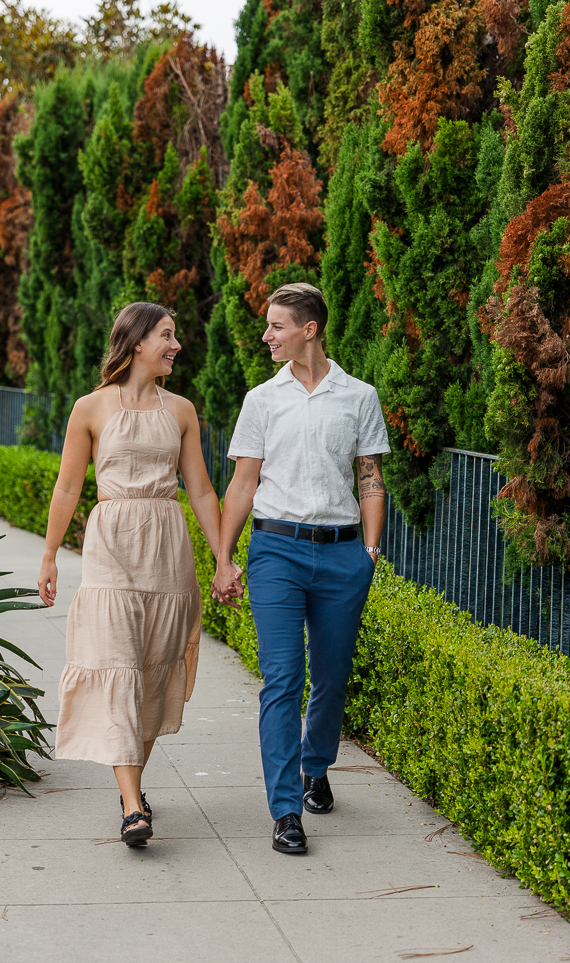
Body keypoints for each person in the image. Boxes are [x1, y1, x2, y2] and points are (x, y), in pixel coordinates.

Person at [212, 282, 389, 854]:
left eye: (277, 326)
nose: (266, 335)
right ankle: (286, 810)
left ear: (309, 329)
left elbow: (370, 478)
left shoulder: (358, 396)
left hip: (342, 555)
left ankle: (317, 766)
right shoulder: (262, 401)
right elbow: (242, 485)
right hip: (276, 552)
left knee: (332, 676)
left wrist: (369, 550)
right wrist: (223, 557)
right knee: (283, 679)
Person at [38, 302, 222, 847]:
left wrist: (225, 558)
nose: (177, 345)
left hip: (167, 549)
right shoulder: (90, 408)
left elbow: (203, 490)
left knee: (149, 671)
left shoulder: (182, 411)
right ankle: (132, 805)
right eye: (167, 335)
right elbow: (68, 487)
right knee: (116, 663)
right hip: (111, 545)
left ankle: (132, 787)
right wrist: (48, 555)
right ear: (137, 341)